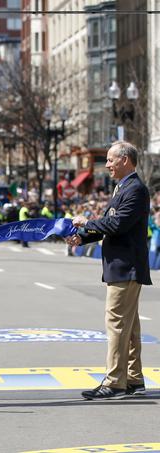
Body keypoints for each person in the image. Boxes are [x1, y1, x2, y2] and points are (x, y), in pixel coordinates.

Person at [66, 141, 151, 400]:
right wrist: (83, 237)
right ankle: (134, 379)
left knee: (116, 324)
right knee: (130, 327)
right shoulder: (122, 188)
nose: (108, 165)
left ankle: (114, 382)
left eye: (112, 160)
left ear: (125, 160)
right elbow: (110, 224)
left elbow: (117, 224)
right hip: (121, 266)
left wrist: (87, 222)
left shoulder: (135, 189)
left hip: (126, 267)